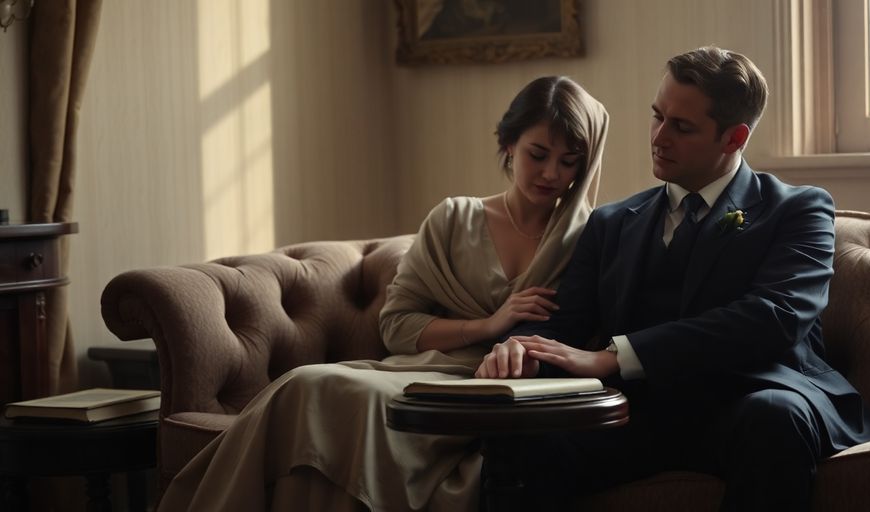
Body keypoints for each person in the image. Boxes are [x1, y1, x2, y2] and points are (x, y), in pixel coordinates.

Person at [156, 75, 608, 511]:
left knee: (312, 387)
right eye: (538, 153)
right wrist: (490, 325)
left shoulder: (585, 238)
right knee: (303, 386)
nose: (551, 173)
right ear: (508, 144)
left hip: (494, 397)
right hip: (422, 376)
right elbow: (396, 325)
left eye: (568, 161)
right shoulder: (454, 219)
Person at [476, 46, 870, 511]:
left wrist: (617, 356)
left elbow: (775, 317)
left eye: (681, 127)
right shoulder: (611, 223)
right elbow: (562, 321)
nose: (658, 137)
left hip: (751, 399)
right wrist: (522, 351)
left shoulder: (799, 209)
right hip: (639, 414)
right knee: (523, 432)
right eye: (657, 117)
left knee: (774, 417)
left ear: (734, 138)